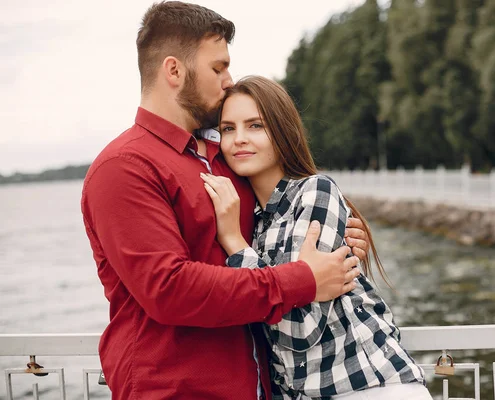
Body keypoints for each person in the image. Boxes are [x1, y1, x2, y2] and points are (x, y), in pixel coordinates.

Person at [80, 3, 369, 399]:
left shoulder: (226, 157)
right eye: (218, 68)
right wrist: (302, 280)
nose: (229, 80)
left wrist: (344, 246)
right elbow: (170, 288)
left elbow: (281, 222)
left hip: (260, 387)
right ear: (174, 71)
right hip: (174, 390)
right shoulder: (124, 167)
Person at [201, 75, 432, 399]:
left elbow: (300, 330)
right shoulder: (253, 218)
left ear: (282, 130)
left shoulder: (315, 192)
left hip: (368, 387)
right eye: (228, 128)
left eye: (255, 126)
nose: (239, 139)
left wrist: (235, 244)